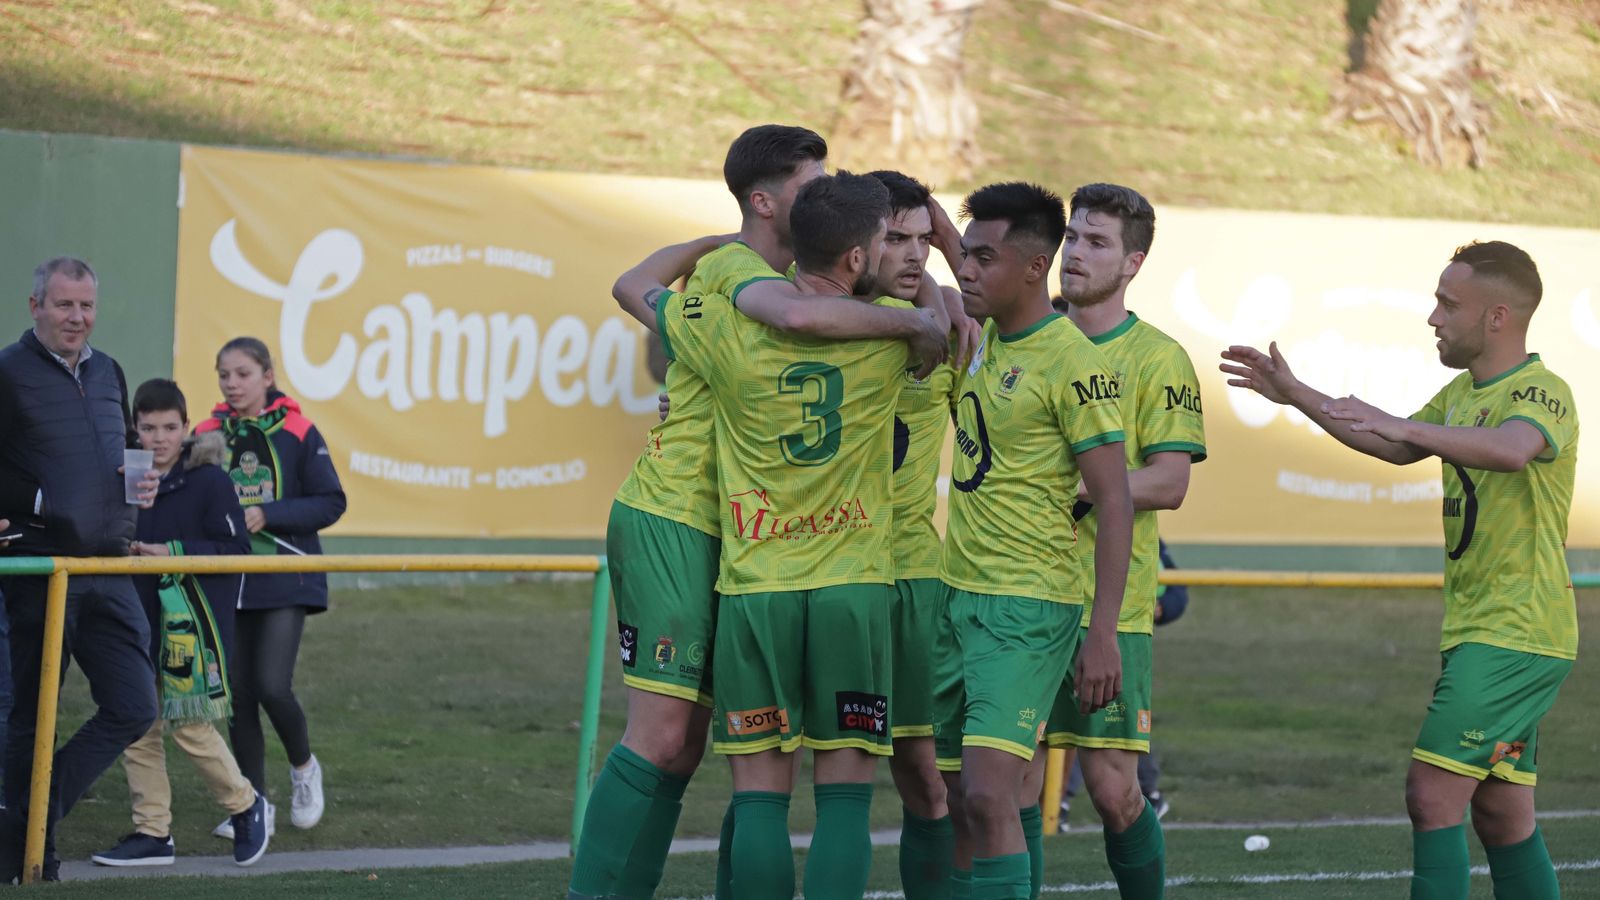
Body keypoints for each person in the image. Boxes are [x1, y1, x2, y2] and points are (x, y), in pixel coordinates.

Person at [568, 125, 954, 900]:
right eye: (812, 182)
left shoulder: (753, 308)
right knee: (667, 737)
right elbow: (809, 316)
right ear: (765, 201)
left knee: (722, 762)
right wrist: (924, 316)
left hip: (750, 554)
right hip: (681, 515)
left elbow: (644, 288)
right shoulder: (741, 277)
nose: (824, 191)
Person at [1221, 240, 1576, 900]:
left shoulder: (1542, 391)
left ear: (1497, 317)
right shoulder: (1462, 393)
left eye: (1448, 304)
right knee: (1501, 814)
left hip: (1516, 634)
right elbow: (1391, 443)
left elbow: (1511, 449)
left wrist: (1405, 427)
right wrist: (1296, 394)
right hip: (1487, 631)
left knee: (1431, 793)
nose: (1433, 317)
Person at [934, 183, 1133, 899]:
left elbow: (1115, 500)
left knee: (990, 796)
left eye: (984, 259)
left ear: (1034, 267)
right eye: (964, 255)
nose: (966, 270)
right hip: (955, 601)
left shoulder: (1072, 363)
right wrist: (936, 219)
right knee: (959, 804)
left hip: (1027, 608)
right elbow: (950, 261)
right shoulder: (981, 335)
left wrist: (1102, 632)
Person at [1041, 183, 1206, 898]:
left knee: (1113, 792)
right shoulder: (1025, 340)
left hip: (1110, 607)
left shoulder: (1157, 359)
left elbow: (1169, 481)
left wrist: (1087, 489)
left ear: (1133, 263)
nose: (1075, 253)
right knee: (1003, 789)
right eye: (1072, 237)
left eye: (1097, 242)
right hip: (1018, 597)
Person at [0, 257, 160, 881]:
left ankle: (26, 822)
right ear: (35, 305)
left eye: (86, 305)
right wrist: (38, 502)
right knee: (32, 715)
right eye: (64, 304)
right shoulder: (8, 372)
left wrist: (140, 481)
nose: (77, 317)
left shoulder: (109, 370)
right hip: (41, 566)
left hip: (108, 565)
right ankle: (25, 853)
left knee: (135, 704)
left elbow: (123, 450)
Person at [92, 378, 270, 868]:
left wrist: (170, 552)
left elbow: (237, 551)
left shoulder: (210, 480)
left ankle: (246, 805)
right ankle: (153, 832)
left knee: (190, 726)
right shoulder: (124, 476)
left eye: (170, 428)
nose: (159, 439)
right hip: (131, 619)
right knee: (138, 724)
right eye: (148, 428)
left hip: (190, 624)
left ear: (187, 427)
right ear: (134, 428)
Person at [197, 337, 346, 839]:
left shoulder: (300, 431)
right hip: (226, 580)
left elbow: (331, 501)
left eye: (242, 374)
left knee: (271, 686)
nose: (232, 384)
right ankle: (253, 804)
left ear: (268, 376)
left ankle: (304, 769)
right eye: (224, 375)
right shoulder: (206, 434)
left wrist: (269, 513)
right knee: (237, 695)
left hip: (285, 577)